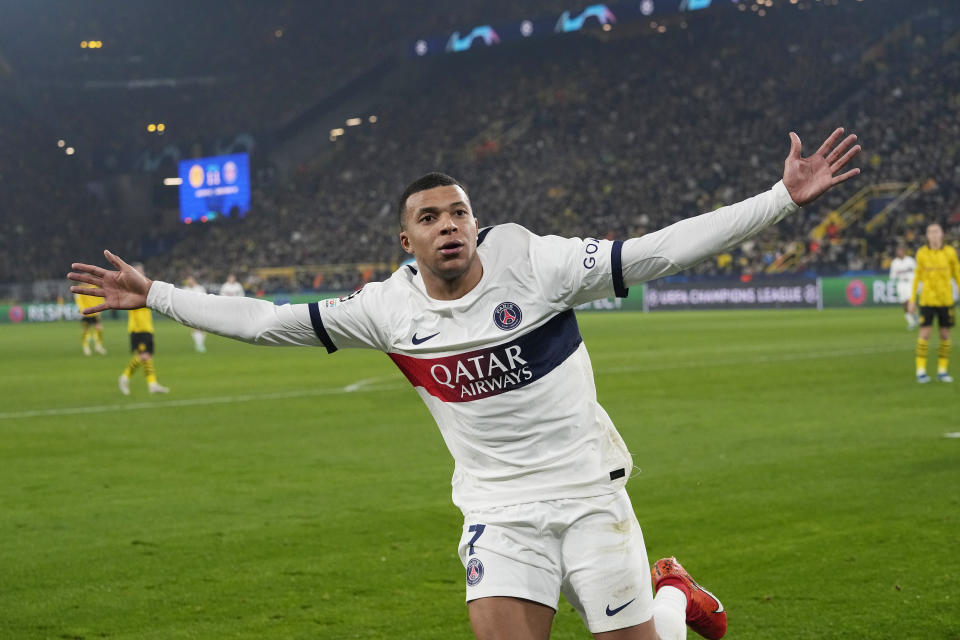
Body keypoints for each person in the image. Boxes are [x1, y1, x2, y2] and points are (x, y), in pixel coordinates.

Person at [69, 128, 860, 640]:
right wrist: (157, 295)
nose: (450, 224)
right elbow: (270, 321)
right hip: (497, 509)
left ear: (476, 224)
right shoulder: (384, 309)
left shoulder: (536, 263)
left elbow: (661, 251)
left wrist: (779, 199)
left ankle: (671, 598)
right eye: (432, 216)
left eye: (460, 212)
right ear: (406, 238)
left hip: (589, 491)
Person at [908, 223, 960, 383]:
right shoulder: (922, 253)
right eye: (930, 232)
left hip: (945, 300)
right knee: (924, 334)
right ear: (927, 235)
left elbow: (957, 274)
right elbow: (917, 277)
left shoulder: (950, 252)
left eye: (937, 231)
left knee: (945, 335)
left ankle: (942, 371)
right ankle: (921, 371)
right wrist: (912, 300)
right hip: (927, 300)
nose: (934, 234)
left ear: (942, 234)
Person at [117, 263, 170, 395]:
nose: (141, 273)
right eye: (138, 271)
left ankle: (152, 384)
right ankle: (125, 377)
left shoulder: (145, 286)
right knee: (144, 356)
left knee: (147, 357)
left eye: (142, 270)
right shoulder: (131, 288)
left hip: (147, 327)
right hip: (138, 328)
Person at [888, 245, 918, 330]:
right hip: (901, 284)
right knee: (904, 304)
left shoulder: (910, 260)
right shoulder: (894, 262)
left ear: (904, 251)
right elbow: (892, 276)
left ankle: (912, 322)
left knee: (910, 301)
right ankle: (913, 318)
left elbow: (917, 271)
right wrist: (895, 277)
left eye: (900, 251)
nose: (899, 252)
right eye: (898, 251)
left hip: (910, 283)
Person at [73, 283, 107, 355]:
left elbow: (100, 298)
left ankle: (98, 346)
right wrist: (82, 310)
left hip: (94, 313)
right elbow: (78, 300)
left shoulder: (94, 287)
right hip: (85, 313)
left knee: (99, 329)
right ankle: (86, 347)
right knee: (85, 331)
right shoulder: (80, 289)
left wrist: (100, 309)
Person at [184, 275, 207, 352]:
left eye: (190, 280)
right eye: (188, 280)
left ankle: (200, 344)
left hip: (201, 310)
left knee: (203, 329)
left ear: (194, 280)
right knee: (196, 328)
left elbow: (206, 299)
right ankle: (199, 345)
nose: (189, 281)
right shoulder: (184, 290)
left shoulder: (200, 288)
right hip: (191, 312)